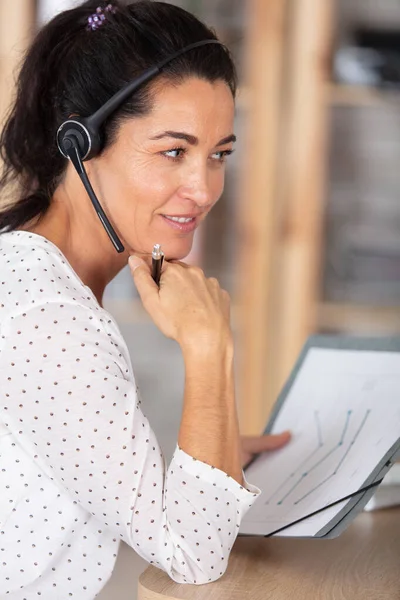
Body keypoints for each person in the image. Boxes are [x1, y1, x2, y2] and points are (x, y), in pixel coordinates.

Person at [0, 1, 290, 597]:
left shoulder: (25, 266)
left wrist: (208, 456)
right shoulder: (51, 318)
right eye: (173, 151)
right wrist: (210, 346)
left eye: (219, 154)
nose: (205, 188)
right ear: (79, 143)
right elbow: (191, 558)